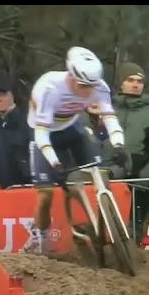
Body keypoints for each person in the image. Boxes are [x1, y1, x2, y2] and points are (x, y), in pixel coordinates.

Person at [26, 46, 127, 254]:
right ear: (70, 76)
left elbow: (110, 118)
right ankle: (40, 239)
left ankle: (105, 223)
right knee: (45, 195)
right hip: (44, 133)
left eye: (92, 86)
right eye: (83, 85)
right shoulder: (49, 88)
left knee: (100, 172)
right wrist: (55, 162)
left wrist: (118, 144)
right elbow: (41, 133)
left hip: (72, 127)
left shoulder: (99, 87)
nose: (88, 91)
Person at [112, 62, 149, 239]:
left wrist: (143, 177)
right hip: (107, 177)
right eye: (130, 80)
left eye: (139, 81)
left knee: (132, 228)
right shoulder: (106, 110)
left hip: (138, 180)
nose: (135, 84)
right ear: (121, 82)